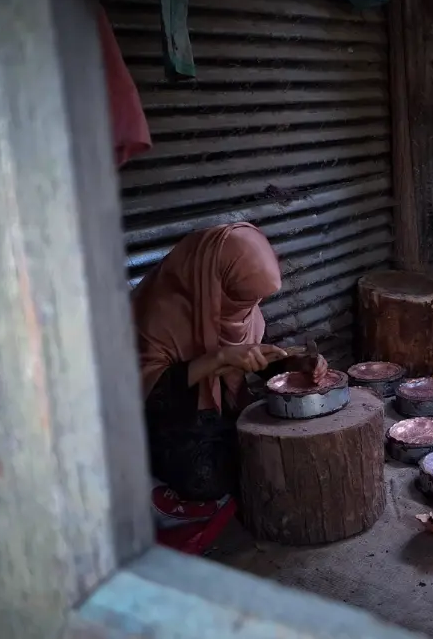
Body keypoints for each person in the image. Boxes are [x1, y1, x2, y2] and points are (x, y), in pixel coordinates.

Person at [132, 222, 316, 526]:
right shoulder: (159, 312)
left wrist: (293, 365)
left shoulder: (233, 300)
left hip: (218, 409)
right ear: (215, 280)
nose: (249, 309)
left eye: (256, 301)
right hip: (166, 422)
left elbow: (250, 355)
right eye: (242, 299)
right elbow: (147, 397)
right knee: (209, 475)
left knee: (281, 437)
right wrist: (215, 360)